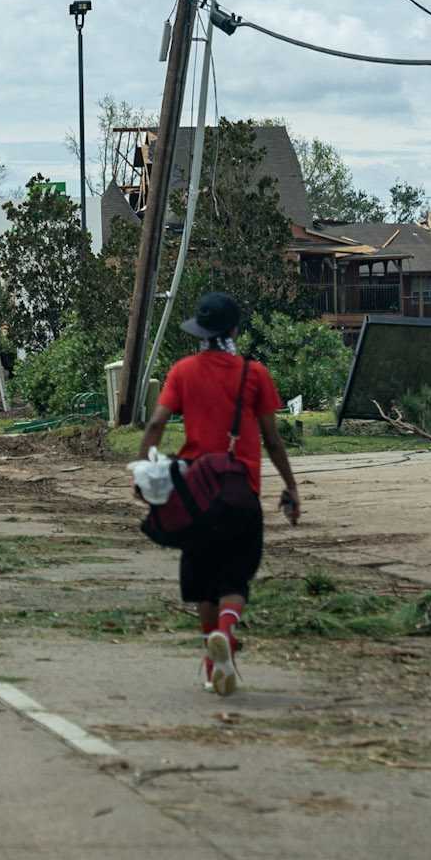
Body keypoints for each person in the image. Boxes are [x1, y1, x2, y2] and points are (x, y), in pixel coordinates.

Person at [137, 291, 301, 696]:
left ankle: (213, 664)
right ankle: (226, 635)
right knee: (235, 578)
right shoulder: (254, 373)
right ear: (233, 330)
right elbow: (273, 440)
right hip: (241, 493)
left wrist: (144, 471)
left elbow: (157, 423)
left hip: (196, 494)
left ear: (200, 331)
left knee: (203, 582)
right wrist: (291, 486)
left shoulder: (182, 371)